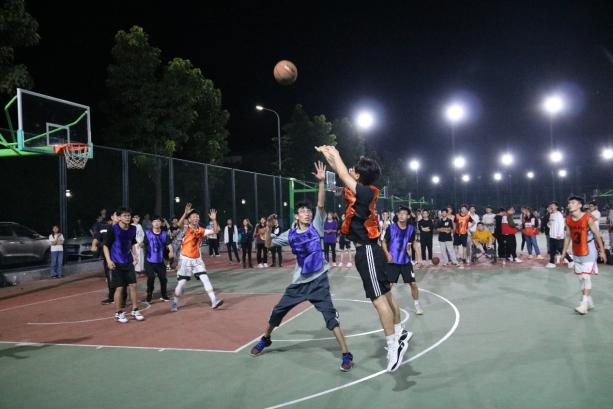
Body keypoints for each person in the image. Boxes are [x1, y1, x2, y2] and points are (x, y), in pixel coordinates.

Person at [250, 162, 354, 372]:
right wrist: (268, 228)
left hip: (319, 282)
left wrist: (321, 182)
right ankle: (266, 339)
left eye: (308, 211)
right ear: (296, 216)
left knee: (331, 319)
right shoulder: (289, 234)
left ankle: (346, 354)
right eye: (303, 211)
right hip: (298, 283)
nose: (307, 213)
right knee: (277, 313)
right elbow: (268, 244)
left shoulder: (316, 226)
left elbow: (321, 205)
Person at [317, 146, 410, 373]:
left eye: (354, 171)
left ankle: (394, 346)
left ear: (359, 177)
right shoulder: (362, 191)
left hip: (367, 251)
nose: (351, 171)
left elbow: (342, 173)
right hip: (371, 250)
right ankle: (399, 333)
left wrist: (336, 153)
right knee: (386, 294)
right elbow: (341, 173)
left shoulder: (365, 192)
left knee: (379, 300)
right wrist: (329, 156)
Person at [171, 204, 223, 311]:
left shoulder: (201, 230)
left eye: (197, 216)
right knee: (181, 284)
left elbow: (216, 231)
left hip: (197, 260)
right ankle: (174, 303)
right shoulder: (186, 229)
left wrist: (214, 220)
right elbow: (179, 225)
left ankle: (214, 301)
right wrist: (185, 213)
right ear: (189, 219)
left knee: (205, 279)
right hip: (185, 260)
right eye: (193, 216)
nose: (196, 218)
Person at [561, 196, 606, 315]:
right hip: (576, 251)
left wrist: (602, 251)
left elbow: (597, 235)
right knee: (581, 278)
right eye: (569, 203)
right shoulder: (568, 219)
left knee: (586, 277)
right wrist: (564, 252)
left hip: (589, 250)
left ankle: (584, 304)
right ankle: (589, 302)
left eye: (573, 202)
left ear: (580, 205)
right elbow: (568, 236)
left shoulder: (588, 218)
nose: (570, 204)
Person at [103, 207, 145, 323]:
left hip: (128, 261)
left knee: (133, 285)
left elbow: (132, 243)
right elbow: (105, 246)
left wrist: (135, 255)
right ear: (119, 217)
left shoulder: (133, 229)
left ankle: (135, 310)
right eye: (125, 215)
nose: (127, 217)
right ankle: (118, 313)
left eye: (129, 215)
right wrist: (109, 261)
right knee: (120, 288)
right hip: (116, 263)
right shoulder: (113, 229)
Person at [382, 206, 424, 315]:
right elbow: (383, 242)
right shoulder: (391, 228)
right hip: (392, 261)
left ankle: (417, 305)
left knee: (413, 284)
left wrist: (419, 258)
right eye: (400, 213)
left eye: (404, 213)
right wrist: (387, 254)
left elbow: (414, 243)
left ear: (408, 216)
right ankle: (386, 306)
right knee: (389, 286)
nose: (401, 215)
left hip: (405, 261)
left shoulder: (411, 229)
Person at [143, 216, 174, 302]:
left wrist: (171, 251)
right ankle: (149, 294)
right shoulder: (147, 233)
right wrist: (140, 245)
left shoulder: (164, 234)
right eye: (154, 221)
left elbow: (169, 245)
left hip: (160, 261)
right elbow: (144, 243)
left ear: (161, 223)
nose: (156, 223)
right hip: (149, 260)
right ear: (152, 223)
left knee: (163, 279)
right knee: (151, 277)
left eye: (158, 221)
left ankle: (164, 295)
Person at [547, 201, 573, 268]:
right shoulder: (551, 214)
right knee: (552, 250)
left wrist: (559, 234)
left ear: (557, 207)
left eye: (553, 205)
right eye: (551, 205)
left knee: (560, 249)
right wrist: (549, 223)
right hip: (552, 235)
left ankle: (571, 261)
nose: (551, 206)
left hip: (558, 236)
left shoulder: (559, 215)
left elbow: (562, 225)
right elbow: (549, 225)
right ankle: (551, 262)